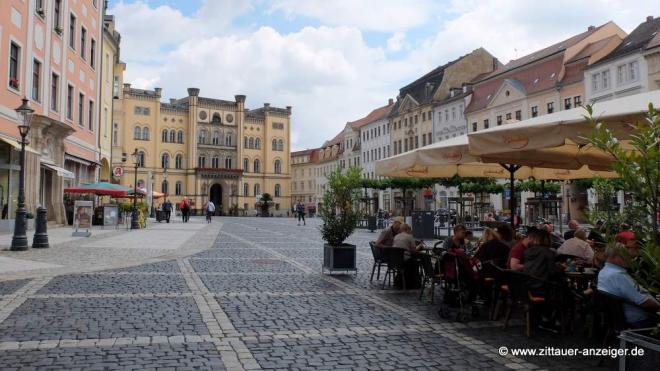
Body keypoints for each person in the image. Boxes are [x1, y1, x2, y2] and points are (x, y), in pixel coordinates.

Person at [598, 246, 660, 329]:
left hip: (616, 317)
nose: (630, 259)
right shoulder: (619, 276)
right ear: (615, 256)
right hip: (637, 319)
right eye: (626, 256)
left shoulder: (604, 271)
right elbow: (645, 303)